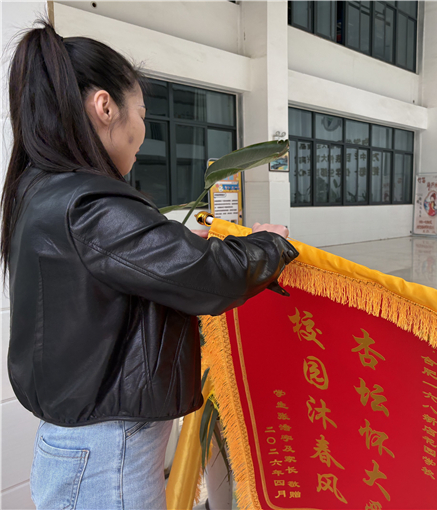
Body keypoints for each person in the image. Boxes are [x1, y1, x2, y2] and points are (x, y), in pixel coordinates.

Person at [3, 22, 298, 509]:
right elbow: (210, 279)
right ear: (105, 107)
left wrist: (174, 247)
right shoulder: (88, 203)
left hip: (84, 448)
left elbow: (110, 280)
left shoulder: (41, 190)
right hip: (106, 457)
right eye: (141, 113)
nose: (144, 131)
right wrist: (270, 245)